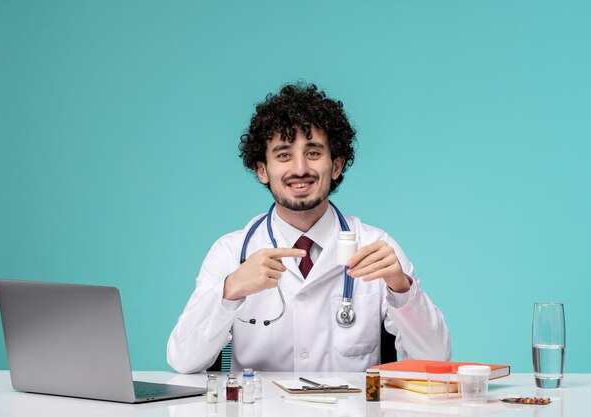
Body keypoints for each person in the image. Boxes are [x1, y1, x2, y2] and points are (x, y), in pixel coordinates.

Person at [167, 82, 450, 373]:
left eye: (313, 153)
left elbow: (436, 361)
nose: (300, 168)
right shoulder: (230, 252)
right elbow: (184, 361)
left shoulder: (375, 247)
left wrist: (402, 289)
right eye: (283, 154)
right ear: (262, 170)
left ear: (336, 165)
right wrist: (231, 289)